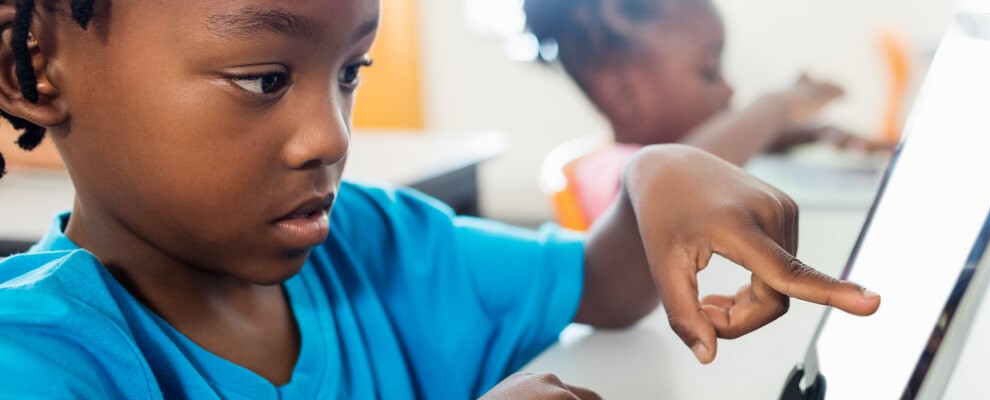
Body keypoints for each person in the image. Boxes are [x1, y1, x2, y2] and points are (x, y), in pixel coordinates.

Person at [0, 0, 879, 398]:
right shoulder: (36, 360)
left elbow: (606, 287)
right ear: (32, 66)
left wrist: (658, 175)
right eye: (265, 77)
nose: (331, 135)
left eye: (351, 73)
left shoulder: (380, 247)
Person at [525, 0, 895, 225]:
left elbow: (705, 150)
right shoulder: (611, 171)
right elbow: (684, 171)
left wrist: (812, 131)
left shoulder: (672, 148)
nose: (730, 89)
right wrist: (777, 106)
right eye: (709, 71)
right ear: (625, 96)